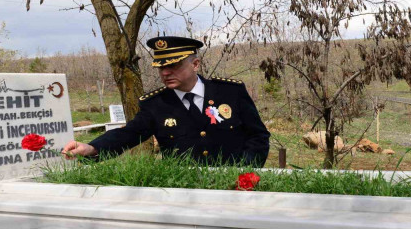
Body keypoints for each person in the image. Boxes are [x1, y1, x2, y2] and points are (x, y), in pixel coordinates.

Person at [62, 36, 270, 166]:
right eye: (161, 67)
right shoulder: (156, 104)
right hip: (183, 189)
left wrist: (245, 171)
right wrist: (91, 148)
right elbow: (129, 133)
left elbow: (258, 136)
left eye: (174, 65)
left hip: (236, 187)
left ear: (195, 64)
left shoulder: (230, 93)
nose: (165, 72)